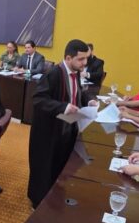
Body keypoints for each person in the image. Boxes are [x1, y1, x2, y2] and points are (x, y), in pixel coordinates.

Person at [27, 39, 98, 208]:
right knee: (45, 168)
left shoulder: (75, 72)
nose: (85, 63)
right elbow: (38, 99)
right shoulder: (53, 74)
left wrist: (89, 100)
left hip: (68, 127)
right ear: (68, 58)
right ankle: (38, 203)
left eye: (86, 58)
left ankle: (54, 197)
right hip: (49, 132)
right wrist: (63, 107)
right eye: (81, 59)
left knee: (60, 165)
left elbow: (78, 92)